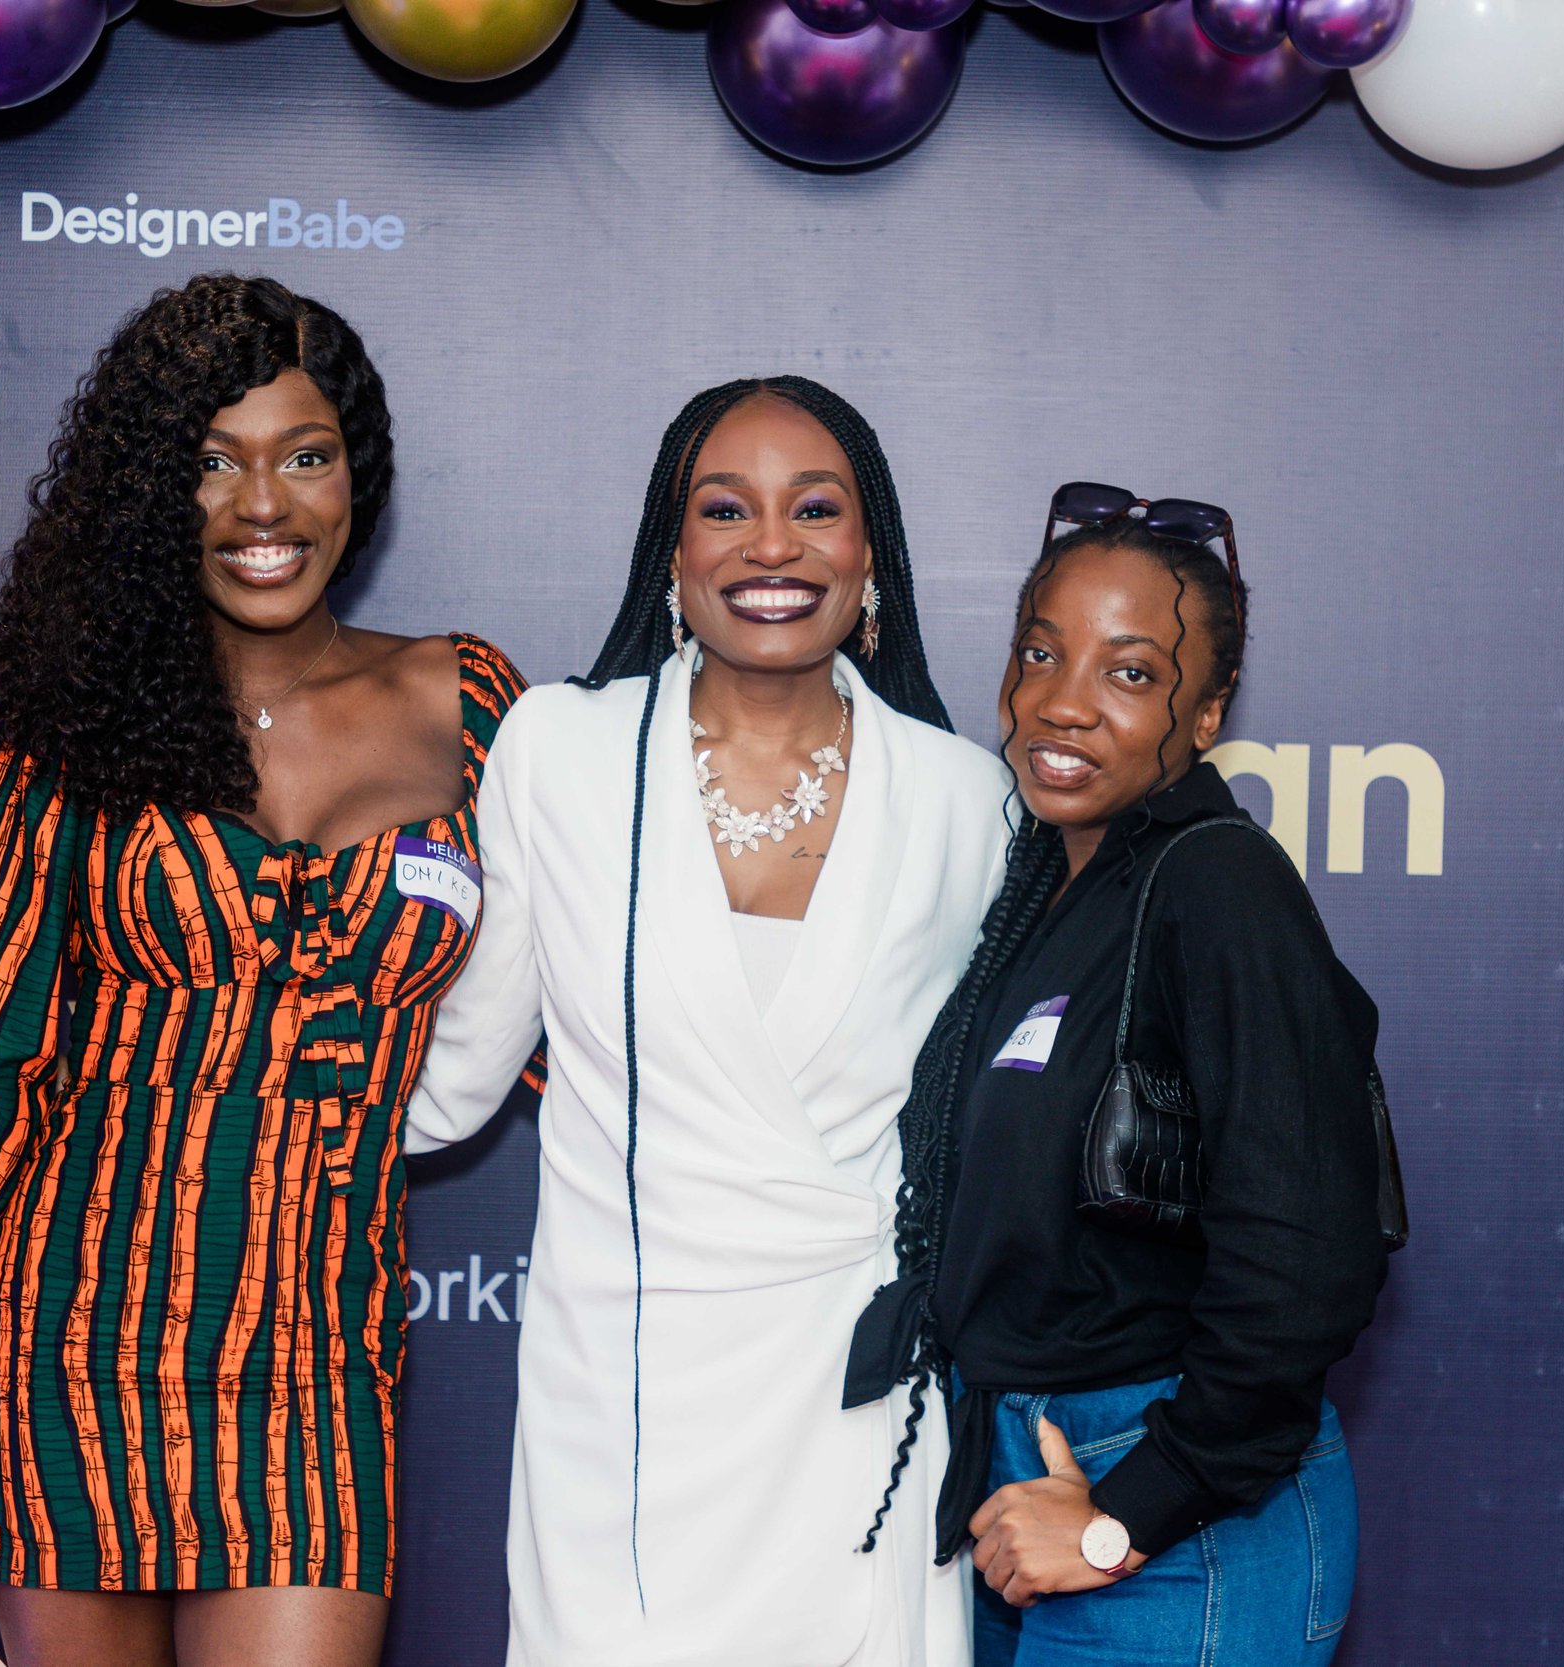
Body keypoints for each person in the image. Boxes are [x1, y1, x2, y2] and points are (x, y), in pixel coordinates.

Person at [0, 275, 525, 1667]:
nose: (265, 504)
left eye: (306, 454)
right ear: (146, 491)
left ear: (356, 472)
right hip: (67, 1344)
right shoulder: (54, 714)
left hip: (317, 1358)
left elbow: (602, 980)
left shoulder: (472, 704)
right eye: (212, 462)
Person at [404, 377, 1011, 1666]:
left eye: (816, 509)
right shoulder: (558, 751)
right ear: (670, 555)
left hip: (852, 1385)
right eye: (724, 508)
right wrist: (226, 1082)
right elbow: (457, 1069)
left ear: (870, 553)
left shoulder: (968, 801)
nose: (772, 546)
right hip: (621, 1398)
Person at [861, 486, 1389, 1666]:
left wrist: (1126, 1513)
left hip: (1170, 1518)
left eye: (1131, 673)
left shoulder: (1220, 886)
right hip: (1027, 1490)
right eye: (1041, 651)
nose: (1062, 700)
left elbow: (1306, 1253)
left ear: (1206, 716)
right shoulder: (1049, 889)